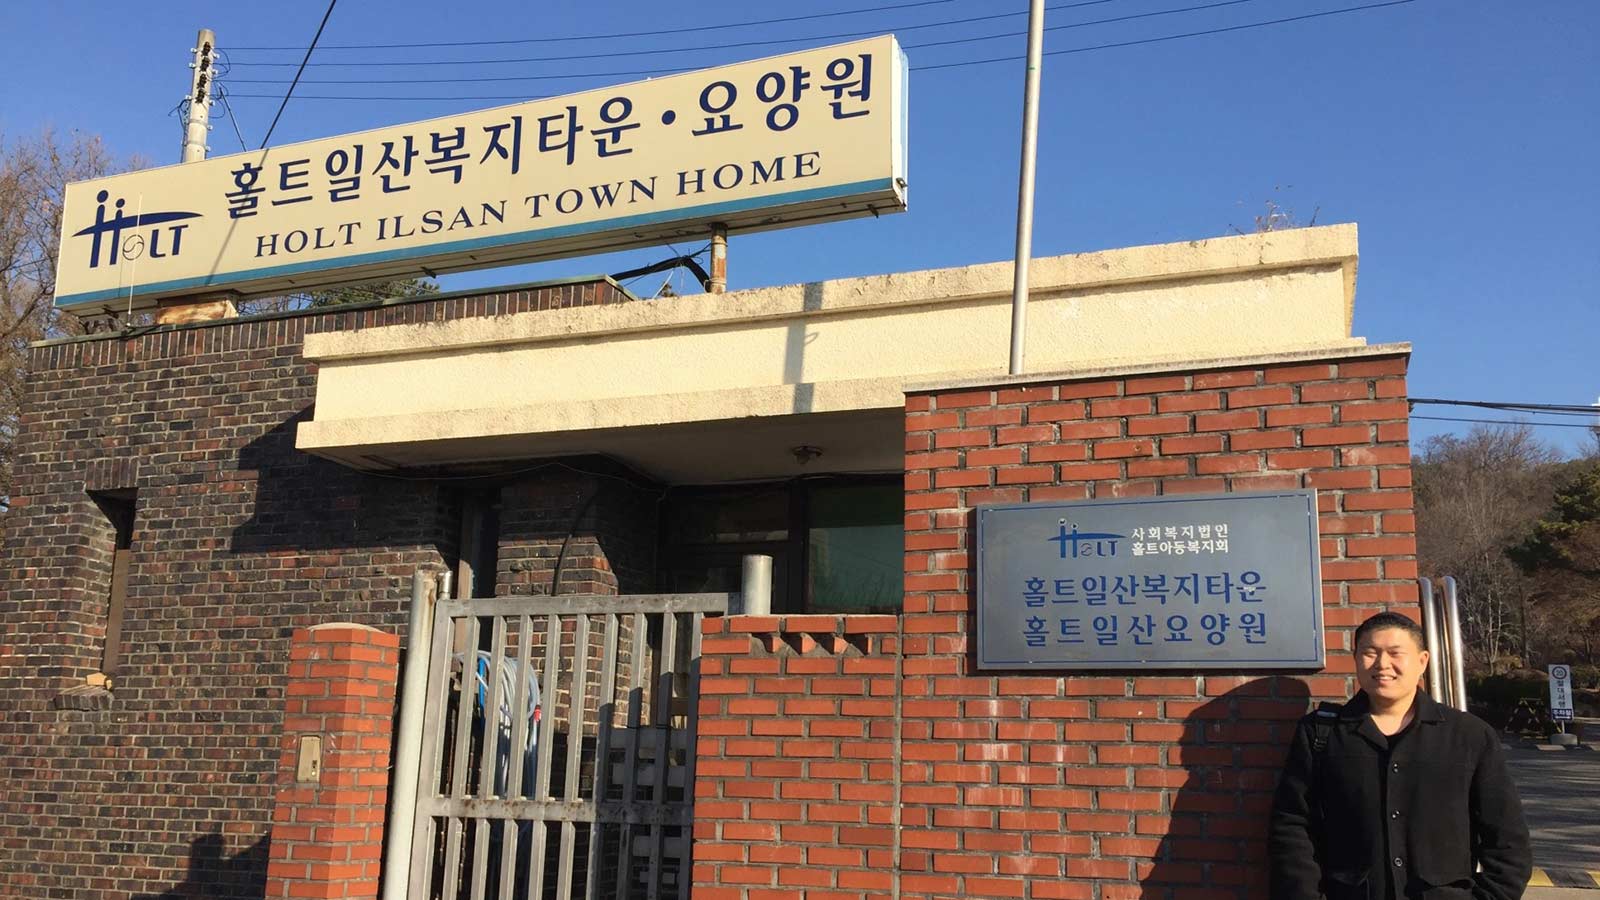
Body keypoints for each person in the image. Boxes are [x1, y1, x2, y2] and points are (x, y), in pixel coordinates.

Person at [1269, 611, 1531, 900]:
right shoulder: (1321, 734)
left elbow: (1507, 837)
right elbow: (1292, 826)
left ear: (1422, 661)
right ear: (1356, 659)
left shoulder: (1469, 735)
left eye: (1395, 653)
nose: (1382, 664)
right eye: (1370, 653)